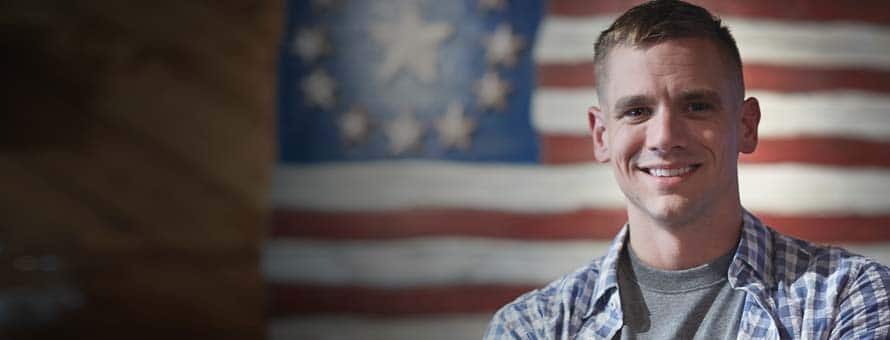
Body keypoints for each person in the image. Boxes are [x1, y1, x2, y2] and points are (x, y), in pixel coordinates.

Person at [485, 0, 890, 339]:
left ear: (746, 126)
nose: (664, 137)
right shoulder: (532, 327)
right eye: (637, 111)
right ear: (601, 135)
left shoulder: (849, 297)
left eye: (696, 106)